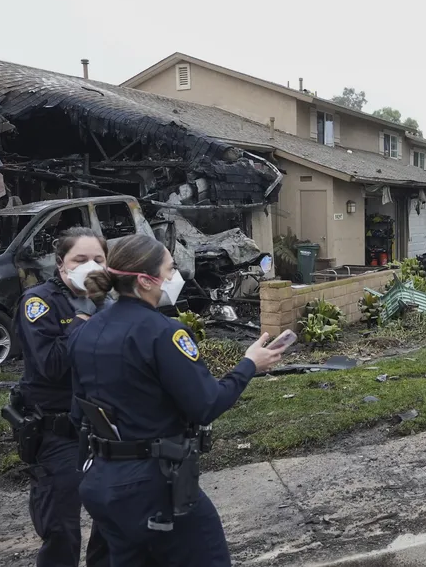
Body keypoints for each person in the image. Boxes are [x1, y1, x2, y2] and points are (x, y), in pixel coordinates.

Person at [68, 234, 285, 566]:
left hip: (103, 485)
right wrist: (249, 365)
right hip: (157, 488)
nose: (174, 278)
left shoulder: (85, 331)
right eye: (169, 270)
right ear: (144, 280)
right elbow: (206, 403)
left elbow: (77, 413)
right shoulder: (163, 333)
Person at [12, 227, 111, 567]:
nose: (91, 266)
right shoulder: (39, 302)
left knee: (112, 517)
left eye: (98, 259)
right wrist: (82, 320)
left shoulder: (106, 303)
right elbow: (51, 365)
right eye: (80, 259)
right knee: (61, 529)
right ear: (61, 265)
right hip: (58, 431)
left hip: (103, 427)